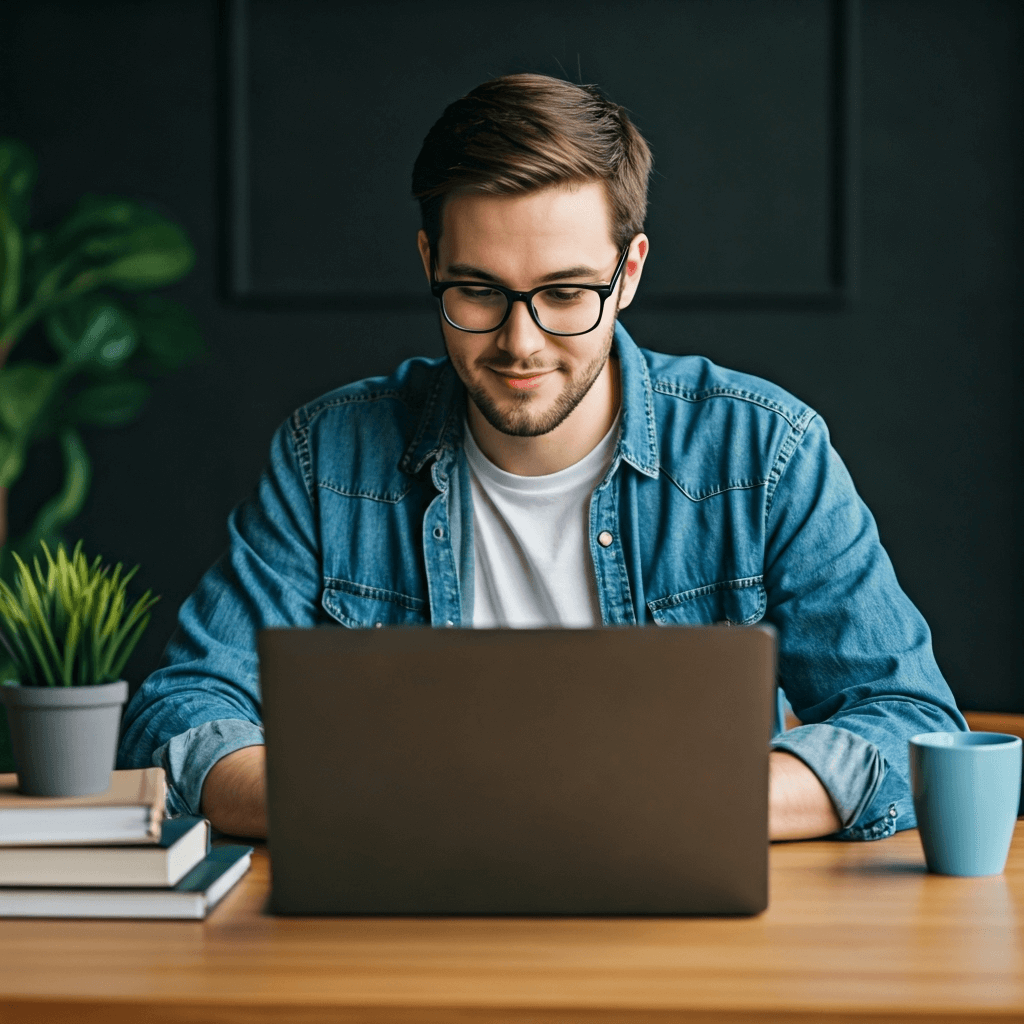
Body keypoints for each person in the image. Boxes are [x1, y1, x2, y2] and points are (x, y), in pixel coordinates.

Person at [118, 73, 966, 841]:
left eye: (564, 293)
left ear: (628, 273)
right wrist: (388, 803)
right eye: (478, 291)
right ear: (429, 263)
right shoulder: (327, 456)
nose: (520, 343)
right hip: (404, 924)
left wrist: (659, 803)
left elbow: (909, 723)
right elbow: (180, 716)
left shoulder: (765, 450)